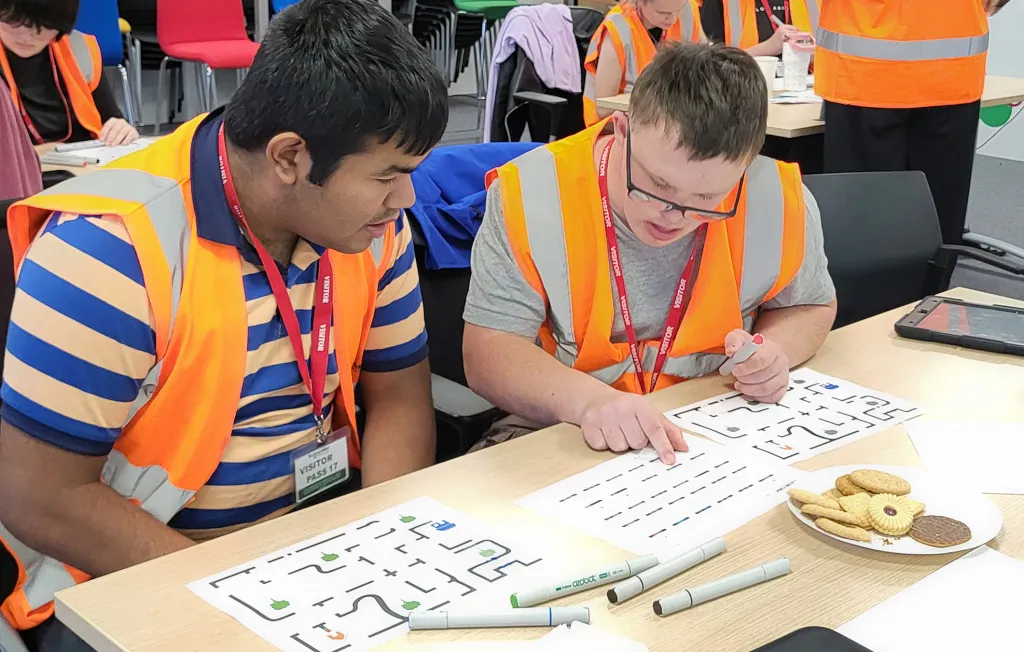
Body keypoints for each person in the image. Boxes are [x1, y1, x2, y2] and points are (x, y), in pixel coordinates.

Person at [0, 0, 446, 649]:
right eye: (388, 176)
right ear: (290, 156)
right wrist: (238, 597)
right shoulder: (111, 250)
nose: (404, 200)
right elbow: (38, 497)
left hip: (310, 546)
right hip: (129, 571)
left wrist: (378, 549)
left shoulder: (372, 229)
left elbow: (400, 396)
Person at [463, 43, 836, 463]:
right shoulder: (529, 195)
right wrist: (589, 402)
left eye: (707, 197)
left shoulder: (779, 198)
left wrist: (774, 353)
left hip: (713, 422)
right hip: (561, 426)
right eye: (656, 185)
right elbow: (488, 353)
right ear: (621, 131)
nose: (673, 215)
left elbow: (811, 304)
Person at [816, 0, 1010, 246]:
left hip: (865, 73)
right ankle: (937, 285)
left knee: (862, 223)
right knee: (937, 216)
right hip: (950, 71)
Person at [0, 0, 139, 146]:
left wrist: (122, 130)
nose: (26, 37)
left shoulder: (79, 48)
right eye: (14, 23)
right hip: (20, 164)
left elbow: (111, 120)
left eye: (43, 26)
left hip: (84, 159)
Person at [583, 0, 705, 124]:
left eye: (678, 10)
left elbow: (706, 65)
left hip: (674, 123)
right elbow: (604, 108)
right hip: (619, 128)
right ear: (639, 2)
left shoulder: (687, 9)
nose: (673, 18)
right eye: (662, 12)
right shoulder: (618, 28)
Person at [700, 0, 818, 57]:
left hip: (809, 97)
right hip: (742, 94)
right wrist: (767, 48)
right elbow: (709, 65)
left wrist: (812, 56)